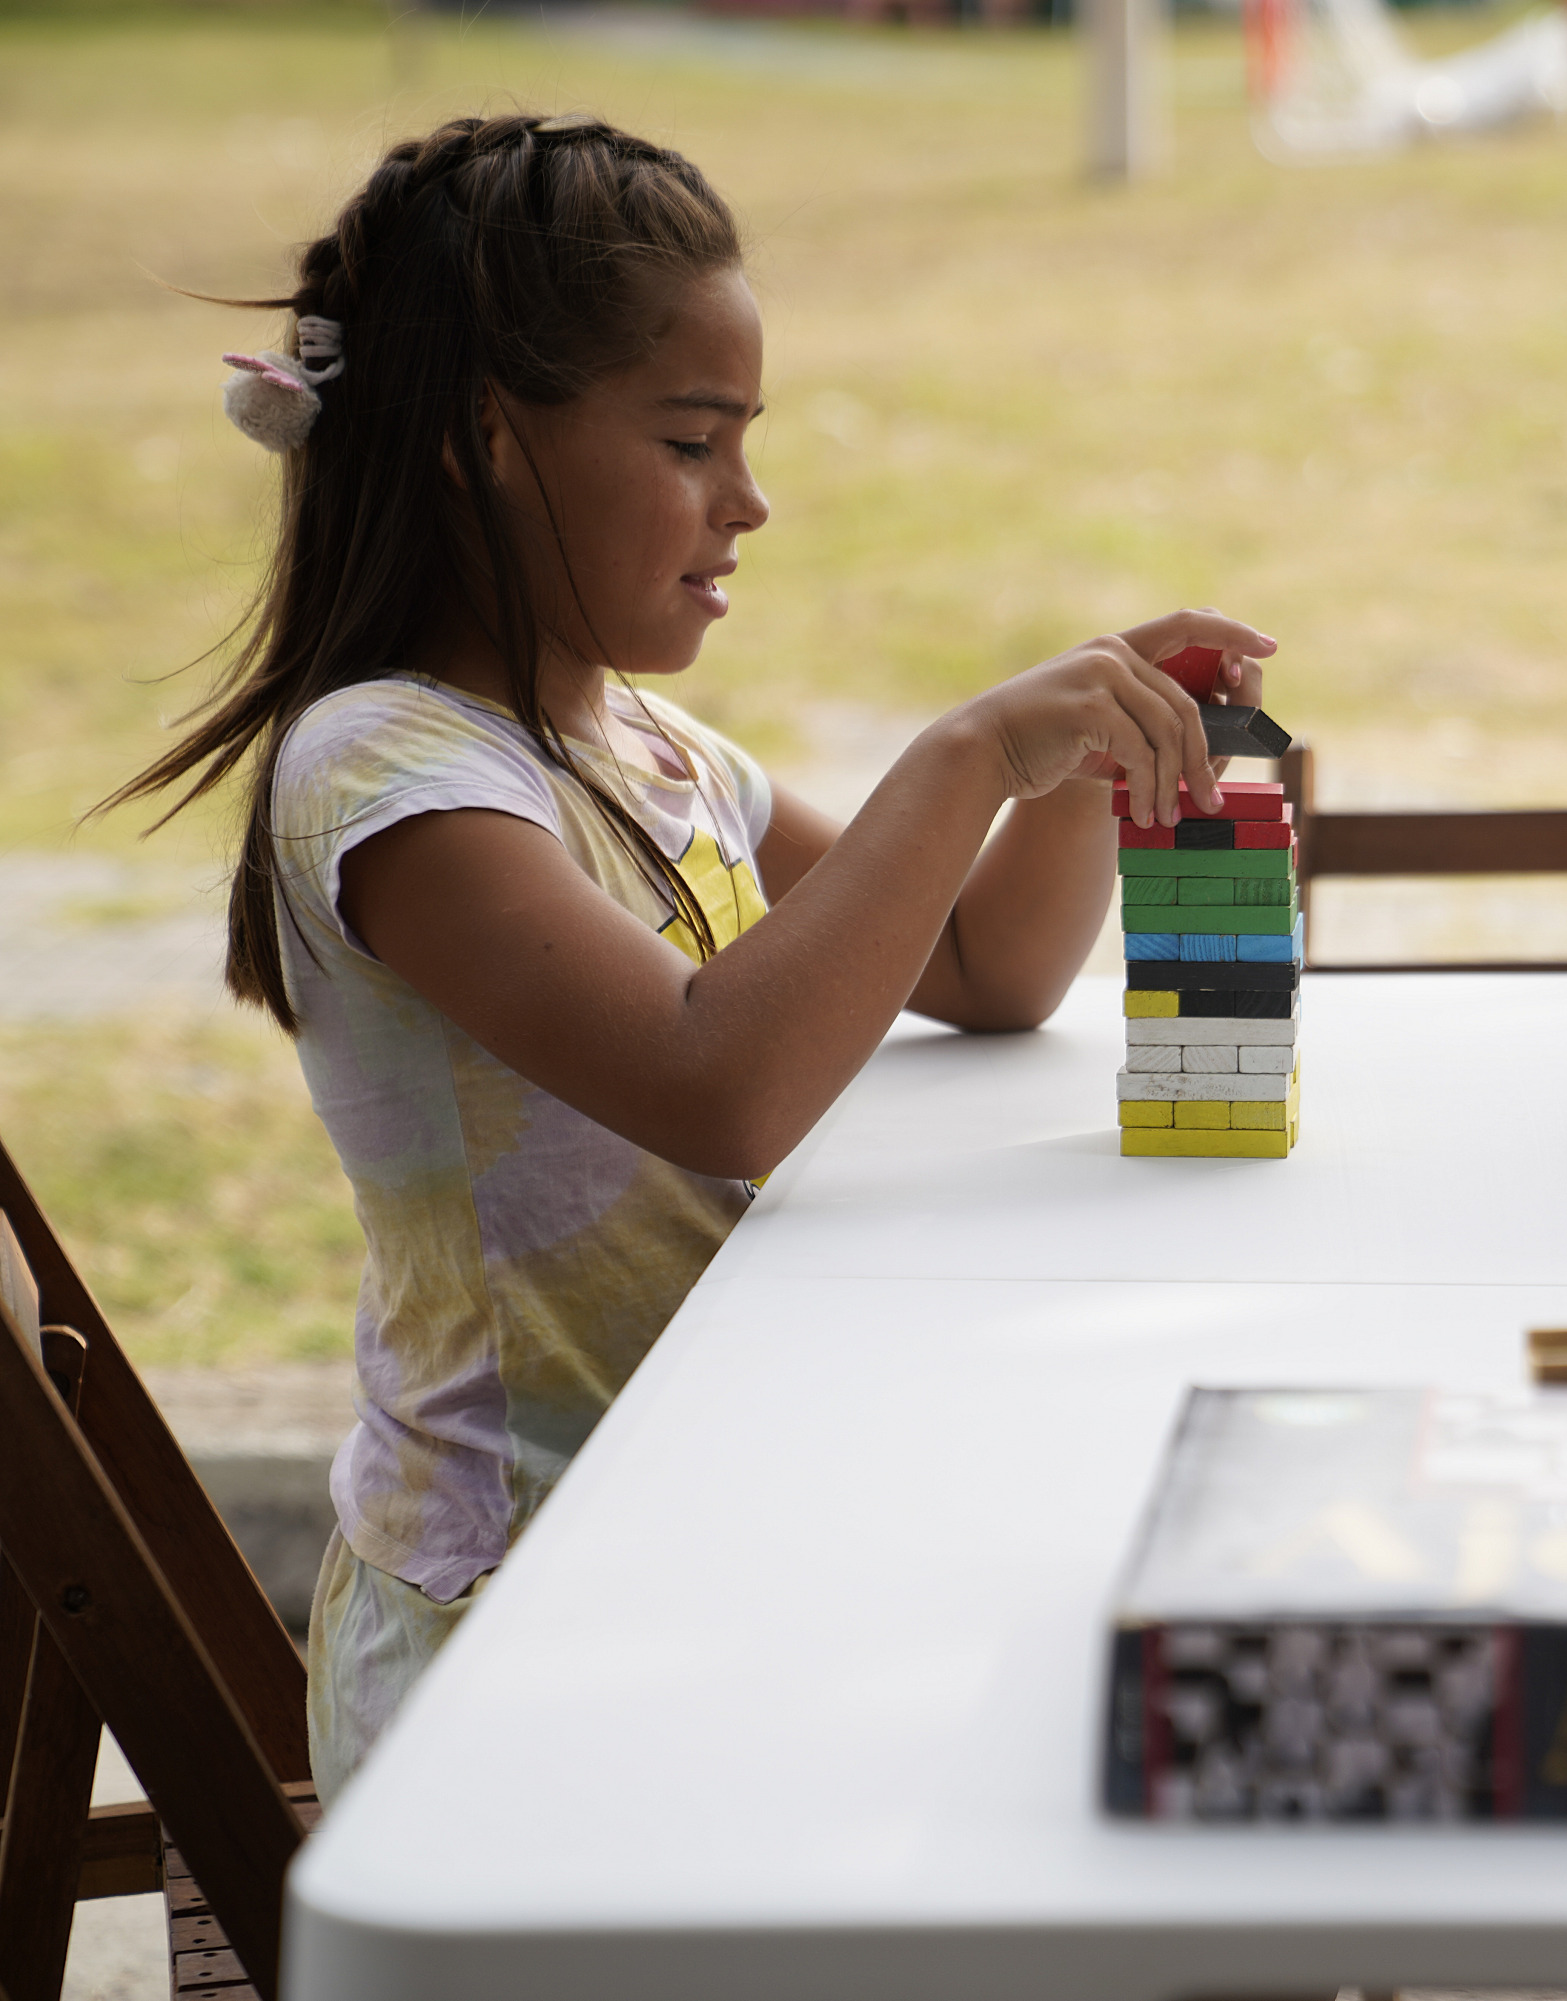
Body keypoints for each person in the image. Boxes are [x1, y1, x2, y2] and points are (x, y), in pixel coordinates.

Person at [103, 113, 1273, 1797]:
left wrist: (1100, 753)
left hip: (711, 1542)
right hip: (517, 1656)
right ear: (479, 443)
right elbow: (721, 1085)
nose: (751, 500)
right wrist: (956, 757)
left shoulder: (645, 746)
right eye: (691, 441)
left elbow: (978, 967)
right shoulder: (385, 773)